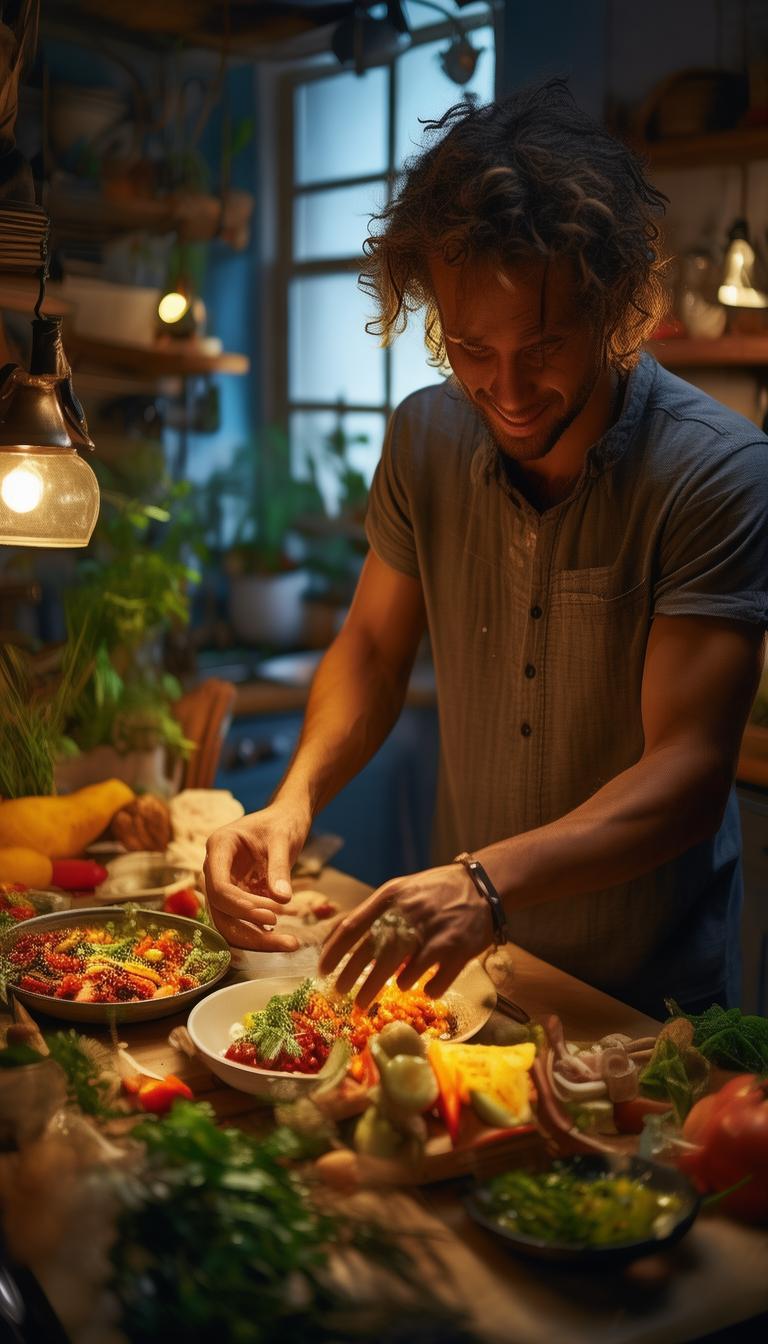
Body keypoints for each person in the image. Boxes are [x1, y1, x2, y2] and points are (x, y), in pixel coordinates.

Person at [204, 81, 768, 1020]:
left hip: (648, 1007)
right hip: (475, 981)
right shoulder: (424, 438)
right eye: (470, 348)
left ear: (617, 305)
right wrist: (293, 802)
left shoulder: (717, 471)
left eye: (543, 347)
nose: (506, 391)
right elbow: (375, 652)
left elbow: (690, 775)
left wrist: (484, 883)